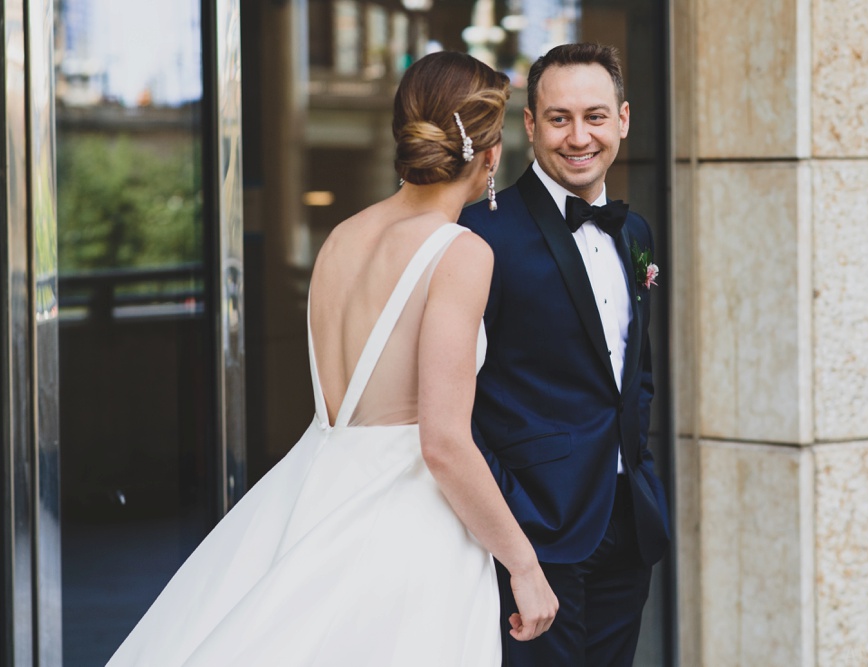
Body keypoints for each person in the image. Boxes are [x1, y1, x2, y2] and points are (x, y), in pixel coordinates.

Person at [107, 51, 556, 667]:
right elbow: (444, 442)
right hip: (406, 523)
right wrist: (524, 565)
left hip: (310, 490)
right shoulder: (461, 251)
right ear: (489, 153)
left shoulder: (342, 237)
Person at [458, 42, 670, 666]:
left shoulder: (635, 233)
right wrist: (513, 520)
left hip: (628, 523)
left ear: (624, 120)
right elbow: (451, 402)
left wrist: (641, 466)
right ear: (530, 124)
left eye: (596, 117)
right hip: (534, 532)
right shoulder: (480, 235)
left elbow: (636, 372)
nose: (579, 137)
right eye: (559, 118)